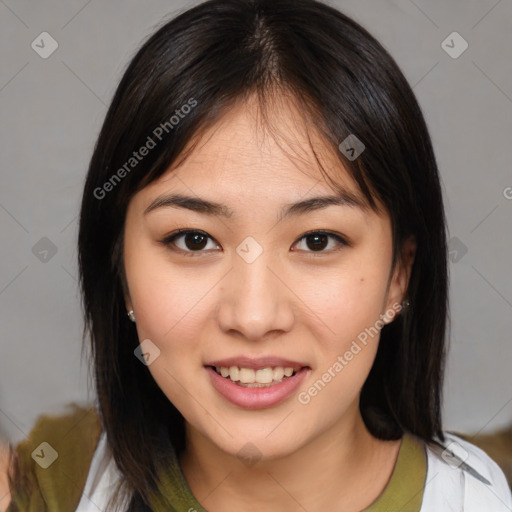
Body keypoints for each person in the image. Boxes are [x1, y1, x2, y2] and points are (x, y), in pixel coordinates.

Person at [2, 0, 511, 510]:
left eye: (317, 240)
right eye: (194, 240)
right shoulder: (48, 482)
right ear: (120, 267)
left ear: (399, 275)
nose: (253, 316)